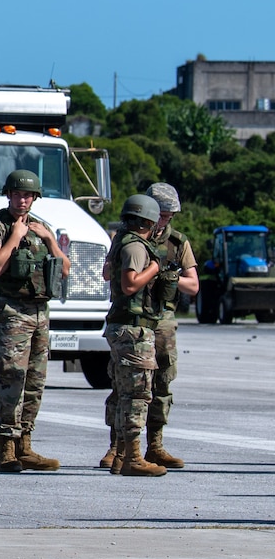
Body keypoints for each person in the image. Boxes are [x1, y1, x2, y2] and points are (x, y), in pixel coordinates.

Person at [98, 182, 198, 470]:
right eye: (161, 214)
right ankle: (118, 447)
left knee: (160, 381)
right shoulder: (128, 240)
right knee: (125, 383)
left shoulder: (177, 243)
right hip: (134, 316)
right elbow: (109, 274)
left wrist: (169, 277)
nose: (164, 221)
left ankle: (154, 444)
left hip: (161, 318)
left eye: (168, 216)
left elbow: (194, 285)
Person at [0, 168, 70, 473]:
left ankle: (25, 445)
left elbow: (65, 269)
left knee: (35, 381)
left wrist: (50, 240)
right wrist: (15, 237)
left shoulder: (41, 226)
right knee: (10, 377)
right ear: (8, 194)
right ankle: (6, 448)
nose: (22, 200)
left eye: (28, 195)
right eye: (17, 194)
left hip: (40, 312)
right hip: (12, 311)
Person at [102, 194, 173, 478]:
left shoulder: (123, 241)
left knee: (125, 393)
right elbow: (130, 284)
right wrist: (155, 268)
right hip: (133, 329)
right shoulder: (135, 247)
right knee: (137, 394)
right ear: (149, 221)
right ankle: (132, 457)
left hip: (124, 326)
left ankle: (121, 456)